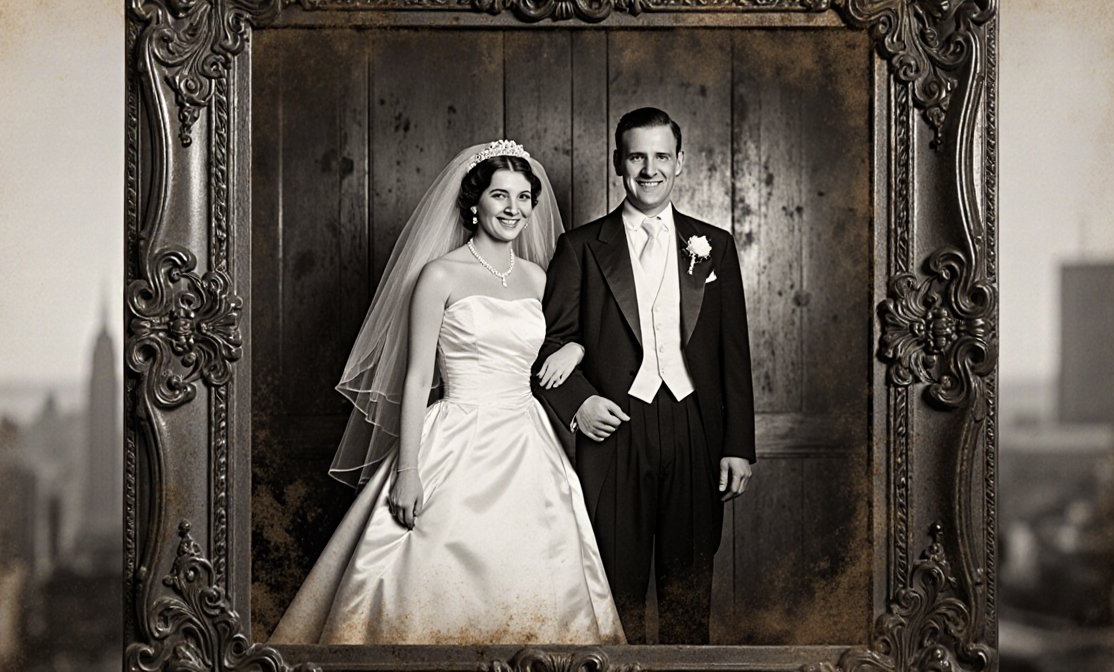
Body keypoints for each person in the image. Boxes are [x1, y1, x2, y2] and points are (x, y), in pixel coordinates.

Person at [268, 141, 625, 646]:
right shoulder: (440, 275)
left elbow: (555, 344)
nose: (514, 209)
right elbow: (416, 378)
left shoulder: (537, 277)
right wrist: (408, 472)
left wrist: (578, 351)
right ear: (474, 202)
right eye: (500, 195)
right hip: (457, 434)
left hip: (529, 441)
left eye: (524, 198)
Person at [533, 108, 756, 644]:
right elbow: (544, 342)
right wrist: (578, 405)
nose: (649, 169)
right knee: (615, 598)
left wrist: (738, 445)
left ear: (681, 162)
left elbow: (733, 355)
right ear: (618, 163)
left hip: (695, 430)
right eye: (637, 156)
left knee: (687, 600)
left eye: (661, 156)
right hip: (614, 434)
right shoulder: (581, 247)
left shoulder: (714, 245)